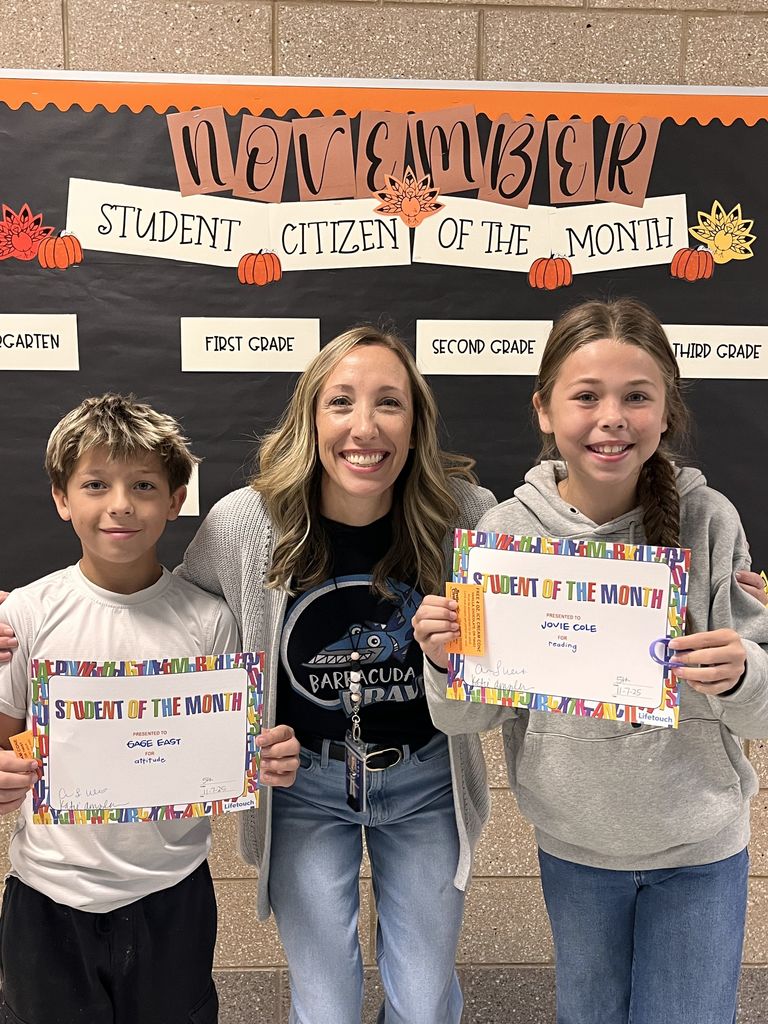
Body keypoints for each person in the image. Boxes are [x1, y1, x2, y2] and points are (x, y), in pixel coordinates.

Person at [413, 298, 768, 1024]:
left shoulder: (710, 521)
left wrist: (742, 675)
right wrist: (447, 662)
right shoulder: (505, 533)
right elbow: (467, 717)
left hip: (699, 850)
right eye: (586, 396)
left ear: (666, 411)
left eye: (637, 396)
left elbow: (759, 709)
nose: (612, 418)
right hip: (575, 849)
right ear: (545, 410)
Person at [174, 326, 496, 1024]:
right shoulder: (246, 522)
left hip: (425, 779)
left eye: (389, 403)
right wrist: (47, 620)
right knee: (326, 1011)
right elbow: (174, 625)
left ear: (416, 424)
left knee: (424, 1008)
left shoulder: (465, 517)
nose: (364, 427)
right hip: (305, 788)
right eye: (341, 402)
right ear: (310, 419)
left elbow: (535, 615)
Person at [0, 393, 295, 1024]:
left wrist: (264, 759)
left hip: (172, 894)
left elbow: (234, 753)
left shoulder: (209, 621)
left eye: (143, 485)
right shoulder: (25, 614)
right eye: (95, 484)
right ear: (61, 498)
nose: (121, 504)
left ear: (176, 498)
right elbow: (5, 745)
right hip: (48, 895)